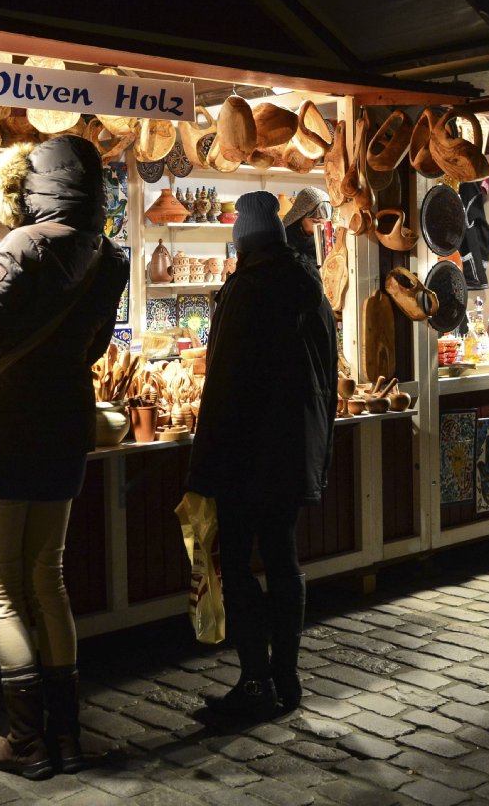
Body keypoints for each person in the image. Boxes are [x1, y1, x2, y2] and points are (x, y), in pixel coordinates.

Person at [0, 136, 129, 779]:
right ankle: (68, 738)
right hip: (66, 432)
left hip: (4, 433)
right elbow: (95, 346)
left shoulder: (21, 246)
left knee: (1, 586)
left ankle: (26, 742)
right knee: (47, 577)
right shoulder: (111, 258)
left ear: (35, 186)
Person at [187, 190, 337, 720]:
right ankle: (286, 679)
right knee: (283, 556)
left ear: (242, 244)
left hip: (246, 453)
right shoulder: (310, 288)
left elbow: (223, 388)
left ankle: (255, 683)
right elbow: (326, 380)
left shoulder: (245, 291)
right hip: (294, 447)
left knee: (237, 562)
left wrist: (204, 467)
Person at [281, 185, 331, 274]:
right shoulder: (285, 239)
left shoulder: (328, 239)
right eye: (315, 221)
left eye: (324, 220)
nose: (321, 224)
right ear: (300, 216)